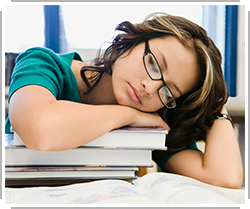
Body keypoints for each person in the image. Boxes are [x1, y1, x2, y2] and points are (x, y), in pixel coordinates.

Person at [5, 12, 243, 189]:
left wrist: (216, 104)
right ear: (132, 40)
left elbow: (224, 179)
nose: (149, 88)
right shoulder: (43, 63)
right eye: (153, 63)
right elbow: (40, 129)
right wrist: (129, 116)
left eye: (168, 91)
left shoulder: (156, 117)